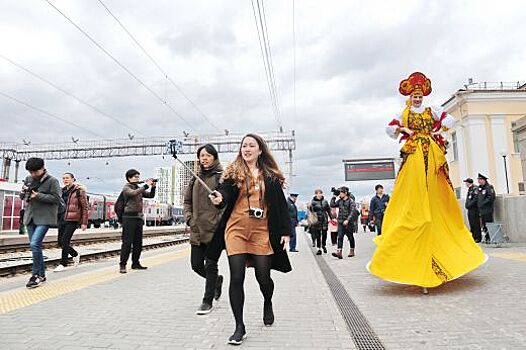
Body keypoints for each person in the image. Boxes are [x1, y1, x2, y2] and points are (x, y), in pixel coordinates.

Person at [368, 72, 486, 294]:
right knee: (412, 189)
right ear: (410, 96)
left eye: (420, 95)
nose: (418, 98)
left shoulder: (432, 111)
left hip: (431, 151)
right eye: (415, 95)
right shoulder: (403, 113)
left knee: (434, 187)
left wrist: (436, 129)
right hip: (413, 153)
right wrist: (405, 129)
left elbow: (450, 120)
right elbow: (389, 129)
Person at [208, 133, 292, 345]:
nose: (246, 149)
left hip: (262, 231)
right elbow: (224, 192)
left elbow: (281, 206)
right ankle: (239, 326)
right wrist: (219, 198)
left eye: (251, 145)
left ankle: (267, 301)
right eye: (244, 145)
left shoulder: (270, 176)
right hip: (235, 229)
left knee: (263, 277)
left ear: (260, 150)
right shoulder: (233, 172)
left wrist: (285, 231)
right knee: (237, 277)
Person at [183, 144, 225, 315]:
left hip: (214, 230)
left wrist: (218, 220)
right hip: (197, 229)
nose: (204, 158)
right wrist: (189, 218)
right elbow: (187, 202)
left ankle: (207, 301)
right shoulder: (194, 178)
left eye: (208, 155)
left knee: (210, 265)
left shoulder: (221, 177)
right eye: (201, 156)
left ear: (214, 157)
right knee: (196, 265)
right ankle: (216, 281)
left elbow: (226, 203)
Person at [20, 157, 61, 288]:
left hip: (45, 218)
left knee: (34, 244)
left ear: (43, 168)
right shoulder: (28, 179)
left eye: (35, 172)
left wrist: (38, 196)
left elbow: (56, 199)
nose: (32, 175)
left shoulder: (52, 181)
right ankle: (41, 275)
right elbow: (24, 198)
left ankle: (35, 275)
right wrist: (23, 193)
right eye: (30, 172)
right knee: (34, 247)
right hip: (30, 216)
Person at [119, 169, 156, 273]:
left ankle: (136, 263)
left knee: (138, 242)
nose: (137, 178)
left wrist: (153, 187)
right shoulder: (126, 188)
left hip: (138, 218)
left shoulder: (138, 188)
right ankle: (123, 264)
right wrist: (146, 185)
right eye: (135, 177)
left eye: (138, 177)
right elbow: (133, 193)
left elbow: (150, 196)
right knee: (127, 242)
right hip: (128, 218)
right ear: (129, 178)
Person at [54, 173, 88, 272]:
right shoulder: (62, 191)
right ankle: (75, 254)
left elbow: (85, 207)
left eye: (67, 178)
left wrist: (84, 222)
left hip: (73, 219)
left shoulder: (79, 191)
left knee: (65, 241)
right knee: (60, 243)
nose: (65, 180)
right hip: (62, 218)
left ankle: (63, 264)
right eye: (63, 178)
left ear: (73, 179)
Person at [330, 186, 357, 259]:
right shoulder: (340, 201)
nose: (340, 194)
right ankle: (339, 252)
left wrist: (348, 220)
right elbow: (332, 205)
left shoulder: (351, 201)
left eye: (341, 193)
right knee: (340, 236)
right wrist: (334, 196)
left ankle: (352, 250)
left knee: (350, 237)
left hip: (349, 222)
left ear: (345, 193)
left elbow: (352, 212)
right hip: (341, 221)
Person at [310, 189, 332, 255]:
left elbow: (328, 210)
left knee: (324, 233)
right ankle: (319, 248)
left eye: (320, 193)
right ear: (316, 194)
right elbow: (311, 212)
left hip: (324, 219)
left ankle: (323, 245)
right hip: (317, 220)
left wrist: (331, 218)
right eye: (318, 193)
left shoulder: (325, 201)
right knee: (318, 234)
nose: (319, 194)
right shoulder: (313, 202)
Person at [476, 173, 496, 244]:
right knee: (483, 225)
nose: (479, 181)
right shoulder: (479, 188)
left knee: (489, 223)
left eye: (480, 180)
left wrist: (483, 203)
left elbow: (491, 197)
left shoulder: (489, 187)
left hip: (487, 209)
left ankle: (491, 237)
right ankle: (486, 238)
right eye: (478, 180)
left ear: (484, 180)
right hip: (481, 210)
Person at [464, 178, 481, 243]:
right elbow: (468, 199)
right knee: (472, 224)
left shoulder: (475, 189)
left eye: (466, 183)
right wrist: (467, 205)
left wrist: (469, 205)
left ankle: (477, 237)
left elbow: (475, 199)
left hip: (474, 209)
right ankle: (474, 236)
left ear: (469, 183)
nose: (466, 184)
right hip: (470, 209)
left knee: (476, 223)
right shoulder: (470, 189)